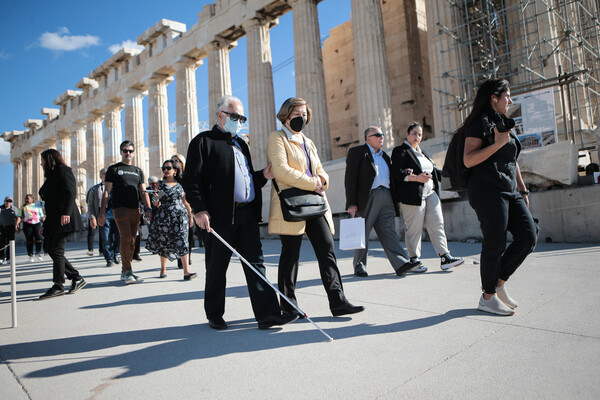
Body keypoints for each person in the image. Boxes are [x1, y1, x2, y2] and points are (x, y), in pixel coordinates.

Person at [183, 95, 296, 330]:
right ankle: (214, 313)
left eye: (242, 117)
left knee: (256, 264)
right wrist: (199, 210)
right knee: (217, 266)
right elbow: (192, 179)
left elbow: (244, 180)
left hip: (247, 215)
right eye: (235, 116)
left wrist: (261, 176)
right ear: (220, 115)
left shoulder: (241, 144)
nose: (239, 121)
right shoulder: (203, 141)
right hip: (218, 216)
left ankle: (268, 314)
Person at [268, 97, 364, 318]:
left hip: (315, 202)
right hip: (292, 204)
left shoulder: (308, 141)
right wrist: (314, 183)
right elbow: (281, 170)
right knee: (290, 254)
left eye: (304, 113)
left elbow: (320, 169)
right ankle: (288, 306)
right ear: (286, 115)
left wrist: (322, 180)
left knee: (327, 249)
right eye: (296, 113)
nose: (301, 117)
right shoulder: (277, 138)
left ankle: (338, 301)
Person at [461, 78, 537, 316]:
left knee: (528, 235)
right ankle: (487, 297)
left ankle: (498, 283)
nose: (510, 100)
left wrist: (522, 189)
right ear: (494, 98)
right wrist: (497, 143)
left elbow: (512, 159)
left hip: (509, 189)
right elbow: (468, 159)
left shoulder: (503, 122)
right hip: (487, 189)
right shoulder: (478, 124)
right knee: (495, 241)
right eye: (507, 96)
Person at [345, 126, 423, 277]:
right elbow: (350, 179)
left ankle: (400, 263)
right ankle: (359, 266)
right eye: (378, 135)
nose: (382, 137)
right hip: (368, 197)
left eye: (382, 135)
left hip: (386, 195)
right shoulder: (358, 152)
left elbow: (392, 176)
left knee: (389, 231)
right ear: (368, 139)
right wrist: (351, 202)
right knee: (363, 232)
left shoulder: (385, 156)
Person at [391, 122, 464, 272]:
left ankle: (445, 257)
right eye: (414, 133)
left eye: (419, 134)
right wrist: (417, 178)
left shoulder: (422, 153)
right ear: (407, 134)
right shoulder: (400, 151)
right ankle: (414, 260)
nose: (417, 137)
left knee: (437, 223)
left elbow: (435, 171)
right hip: (412, 196)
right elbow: (397, 174)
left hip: (430, 192)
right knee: (414, 229)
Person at [99, 140, 151, 285]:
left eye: (130, 151)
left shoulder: (137, 170)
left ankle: (126, 271)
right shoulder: (114, 169)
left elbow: (143, 191)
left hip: (135, 208)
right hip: (119, 208)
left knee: (133, 240)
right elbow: (106, 192)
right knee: (126, 237)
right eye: (125, 150)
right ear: (121, 152)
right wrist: (102, 212)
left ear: (134, 153)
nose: (127, 153)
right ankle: (127, 271)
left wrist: (148, 208)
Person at [38, 149, 86, 299]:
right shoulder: (52, 175)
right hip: (53, 218)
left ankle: (58, 285)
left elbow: (71, 192)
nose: (41, 163)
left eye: (43, 160)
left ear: (50, 159)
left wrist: (66, 212)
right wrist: (45, 223)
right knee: (49, 248)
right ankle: (76, 278)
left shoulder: (63, 170)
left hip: (64, 217)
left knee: (57, 249)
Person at [146, 159, 196, 280]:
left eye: (168, 168)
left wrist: (190, 216)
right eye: (164, 168)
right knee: (164, 242)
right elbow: (156, 203)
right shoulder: (160, 184)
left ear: (175, 170)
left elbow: (185, 202)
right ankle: (163, 269)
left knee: (183, 241)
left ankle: (186, 272)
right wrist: (155, 196)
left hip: (180, 216)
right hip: (164, 216)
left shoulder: (181, 184)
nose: (166, 170)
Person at [87, 169, 120, 268]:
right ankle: (109, 258)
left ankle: (115, 253)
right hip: (103, 216)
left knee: (119, 236)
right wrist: (92, 217)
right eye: (105, 174)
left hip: (116, 215)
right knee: (105, 238)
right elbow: (91, 205)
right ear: (101, 176)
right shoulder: (94, 189)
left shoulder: (117, 188)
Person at [171, 153, 200, 264]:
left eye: (177, 160)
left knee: (189, 234)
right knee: (177, 236)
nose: (175, 163)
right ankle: (180, 259)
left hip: (187, 209)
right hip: (174, 211)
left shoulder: (187, 176)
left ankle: (188, 256)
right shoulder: (169, 179)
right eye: (172, 161)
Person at [15, 194, 45, 263]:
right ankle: (30, 255)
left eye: (28, 198)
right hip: (27, 224)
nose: (26, 200)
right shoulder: (23, 207)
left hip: (37, 223)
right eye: (25, 198)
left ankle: (38, 253)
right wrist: (17, 223)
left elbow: (42, 215)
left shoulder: (37, 205)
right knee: (29, 240)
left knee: (39, 238)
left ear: (32, 199)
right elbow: (19, 216)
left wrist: (44, 222)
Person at [0, 196, 19, 264]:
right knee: (1, 243)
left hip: (11, 227)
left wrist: (17, 224)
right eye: (7, 201)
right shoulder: (0, 208)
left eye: (10, 201)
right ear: (4, 201)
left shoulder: (14, 209)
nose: (8, 203)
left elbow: (18, 217)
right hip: (2, 227)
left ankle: (9, 258)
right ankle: (1, 257)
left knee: (10, 243)